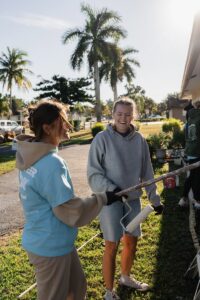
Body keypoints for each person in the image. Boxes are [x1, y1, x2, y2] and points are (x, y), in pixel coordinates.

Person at [15, 99, 123, 300]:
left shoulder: (28, 155)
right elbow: (69, 211)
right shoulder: (51, 163)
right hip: (50, 246)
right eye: (62, 121)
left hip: (51, 240)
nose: (68, 125)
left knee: (76, 288)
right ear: (47, 128)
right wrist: (103, 199)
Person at [87, 98, 164, 300]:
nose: (123, 118)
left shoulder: (139, 140)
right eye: (119, 113)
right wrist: (111, 190)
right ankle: (109, 291)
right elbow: (93, 173)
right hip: (111, 201)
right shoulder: (102, 139)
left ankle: (125, 277)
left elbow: (147, 171)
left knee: (131, 242)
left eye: (128, 114)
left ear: (134, 116)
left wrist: (154, 198)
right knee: (111, 245)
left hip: (132, 200)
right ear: (113, 114)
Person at [179, 99, 200, 208]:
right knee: (197, 177)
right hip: (198, 152)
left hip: (190, 152)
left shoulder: (190, 119)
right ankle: (197, 202)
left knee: (192, 176)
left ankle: (183, 199)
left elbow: (186, 136)